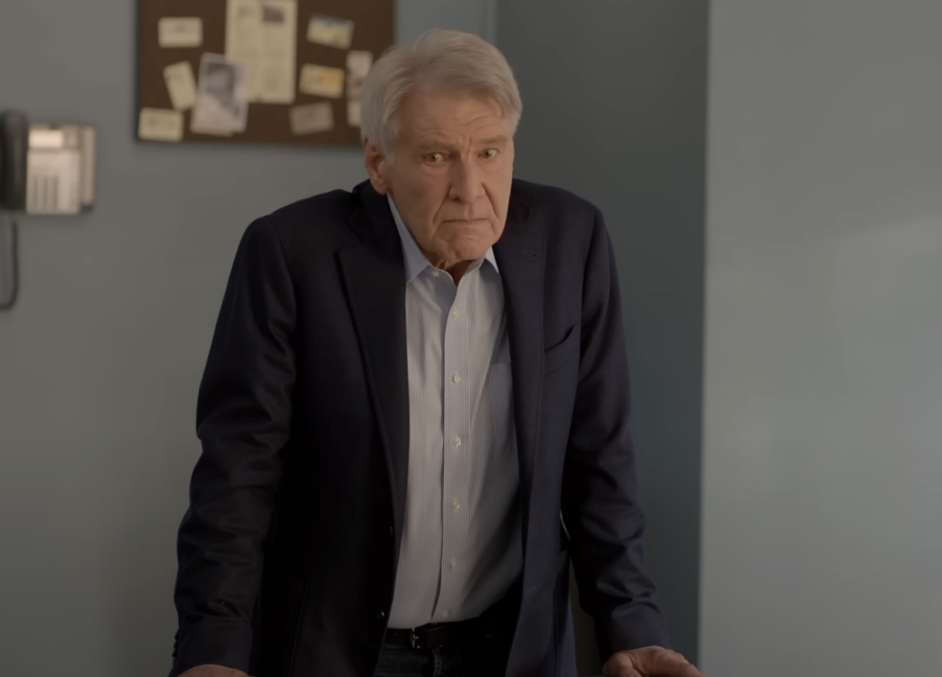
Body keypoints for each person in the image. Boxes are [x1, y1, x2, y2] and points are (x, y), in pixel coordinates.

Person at [169, 29, 704, 677]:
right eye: (435, 156)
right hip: (335, 653)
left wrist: (631, 624)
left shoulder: (571, 241)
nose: (470, 186)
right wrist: (214, 650)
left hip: (513, 653)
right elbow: (237, 477)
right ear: (378, 162)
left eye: (489, 151)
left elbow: (600, 463)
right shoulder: (290, 254)